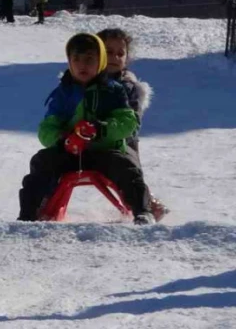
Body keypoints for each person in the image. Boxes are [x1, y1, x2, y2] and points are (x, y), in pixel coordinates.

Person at [17, 33, 153, 225]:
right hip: (70, 152)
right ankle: (29, 213)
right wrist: (63, 139)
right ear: (69, 62)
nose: (83, 65)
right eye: (77, 60)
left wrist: (102, 129)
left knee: (127, 169)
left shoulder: (113, 91)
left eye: (89, 60)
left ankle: (142, 211)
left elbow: (127, 122)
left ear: (101, 62)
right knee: (42, 162)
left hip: (105, 151)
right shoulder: (63, 93)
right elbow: (47, 127)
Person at [97, 28, 169, 222]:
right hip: (83, 142)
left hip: (120, 143)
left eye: (120, 54)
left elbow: (132, 123)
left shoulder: (130, 87)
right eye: (108, 52)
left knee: (128, 173)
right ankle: (45, 201)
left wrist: (107, 130)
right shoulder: (83, 80)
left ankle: (145, 206)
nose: (114, 57)